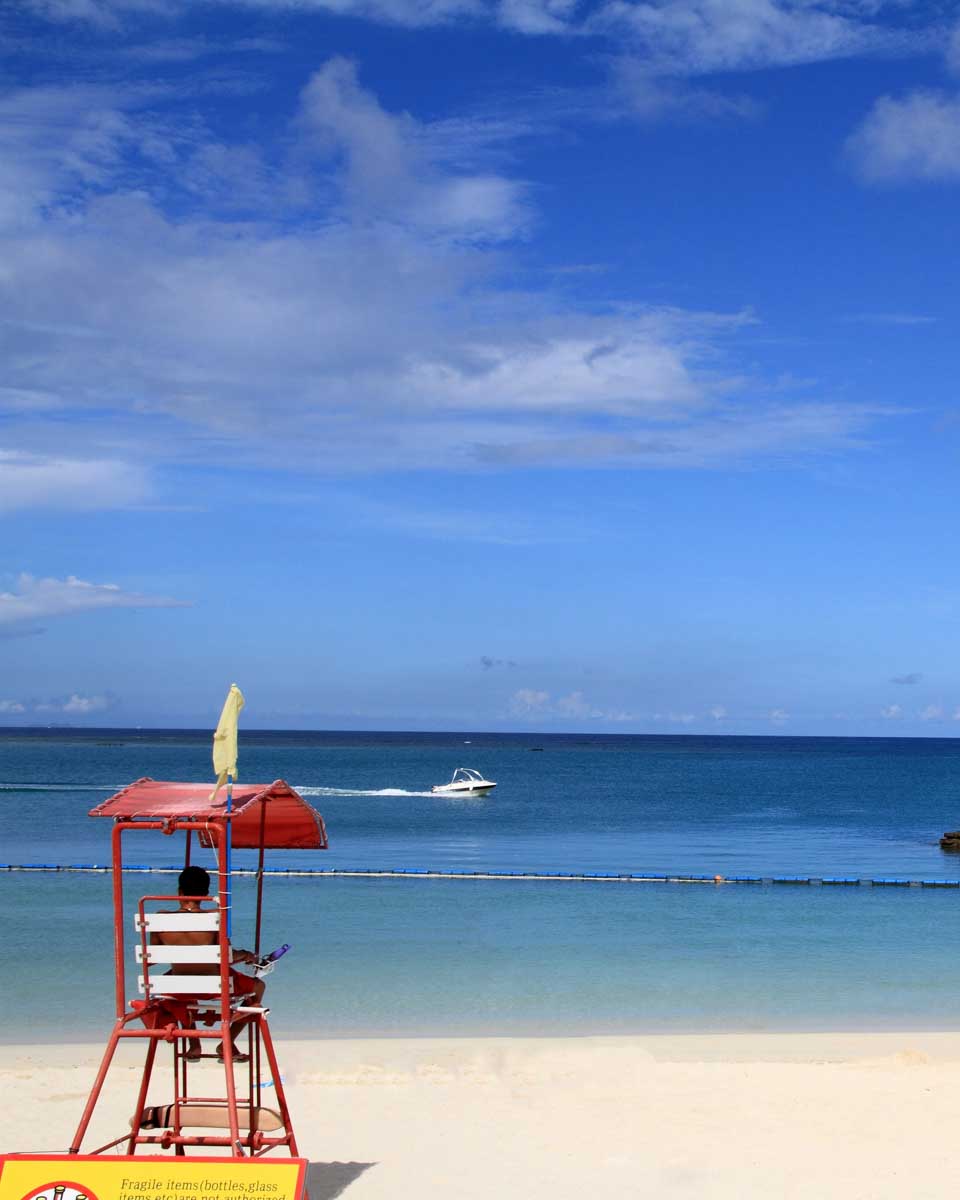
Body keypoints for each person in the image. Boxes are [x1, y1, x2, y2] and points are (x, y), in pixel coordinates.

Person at [152, 864, 265, 1062]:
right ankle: (226, 1042)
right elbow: (225, 956)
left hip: (178, 989)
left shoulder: (160, 918)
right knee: (259, 987)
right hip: (214, 986)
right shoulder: (214, 917)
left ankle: (194, 1044)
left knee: (179, 981)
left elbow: (151, 959)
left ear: (179, 891)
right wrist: (246, 955)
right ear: (205, 893)